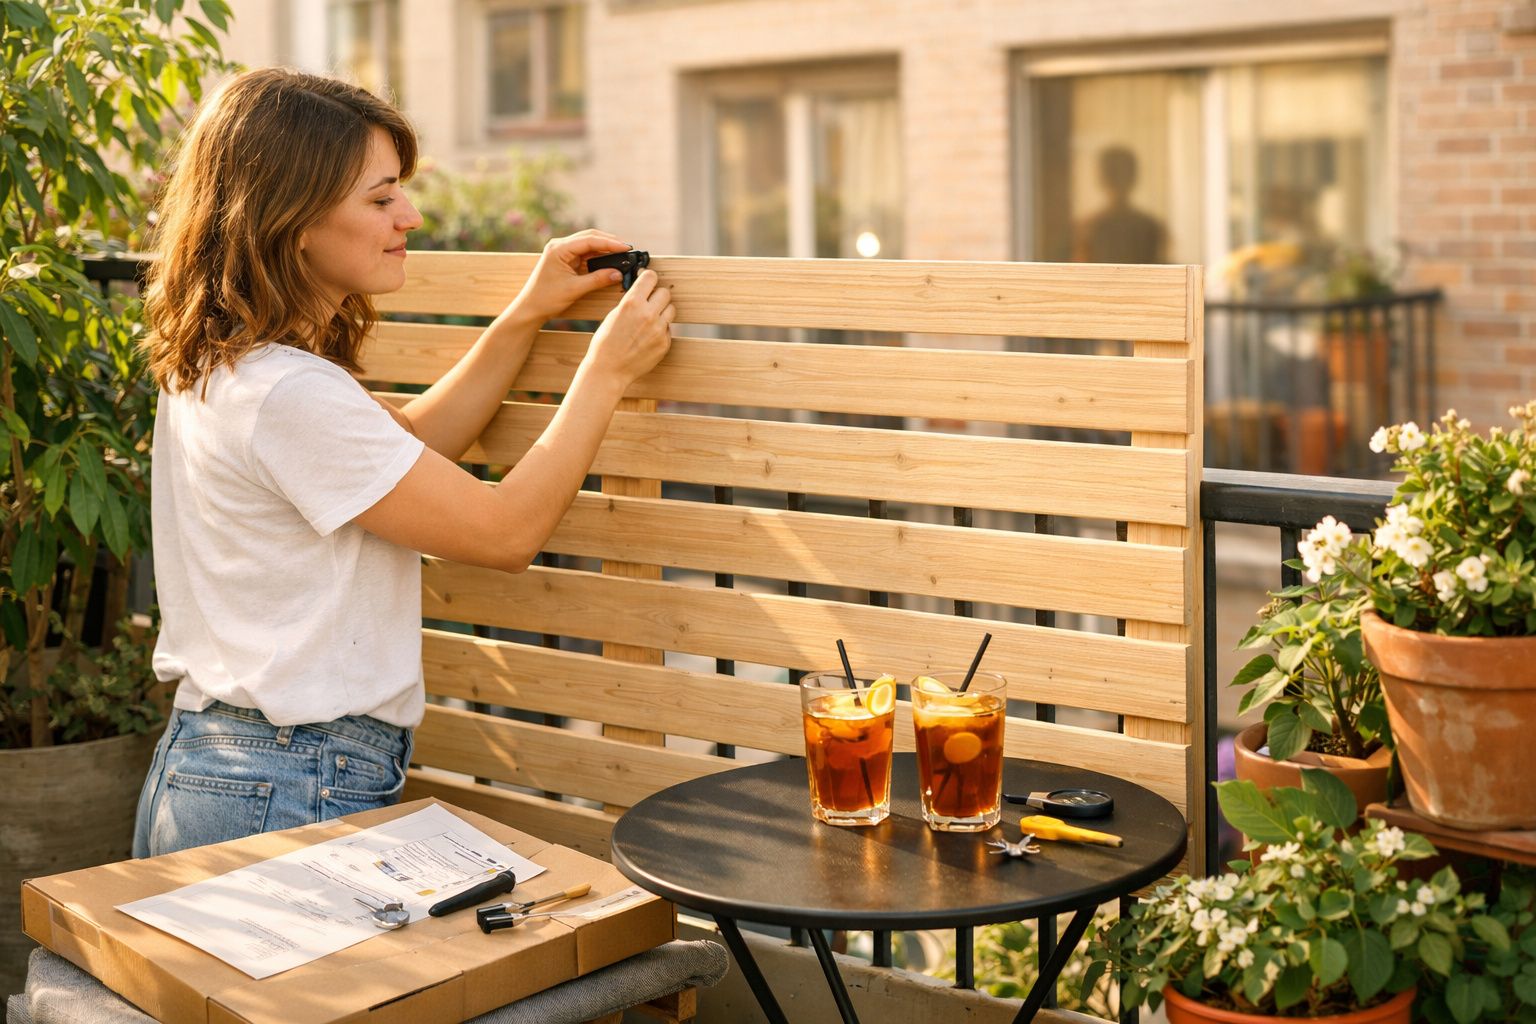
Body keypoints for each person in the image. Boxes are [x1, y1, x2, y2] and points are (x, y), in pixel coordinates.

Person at [131, 67, 674, 858]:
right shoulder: (288, 395)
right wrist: (607, 372)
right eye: (380, 199)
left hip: (217, 771)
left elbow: (409, 450)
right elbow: (504, 531)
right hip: (284, 785)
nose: (409, 216)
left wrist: (524, 314)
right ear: (292, 219)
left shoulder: (232, 366)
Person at [1073, 145, 1167, 265]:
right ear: (1133, 177)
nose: (1118, 179)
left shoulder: (1088, 227)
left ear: (1101, 177)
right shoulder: (1150, 226)